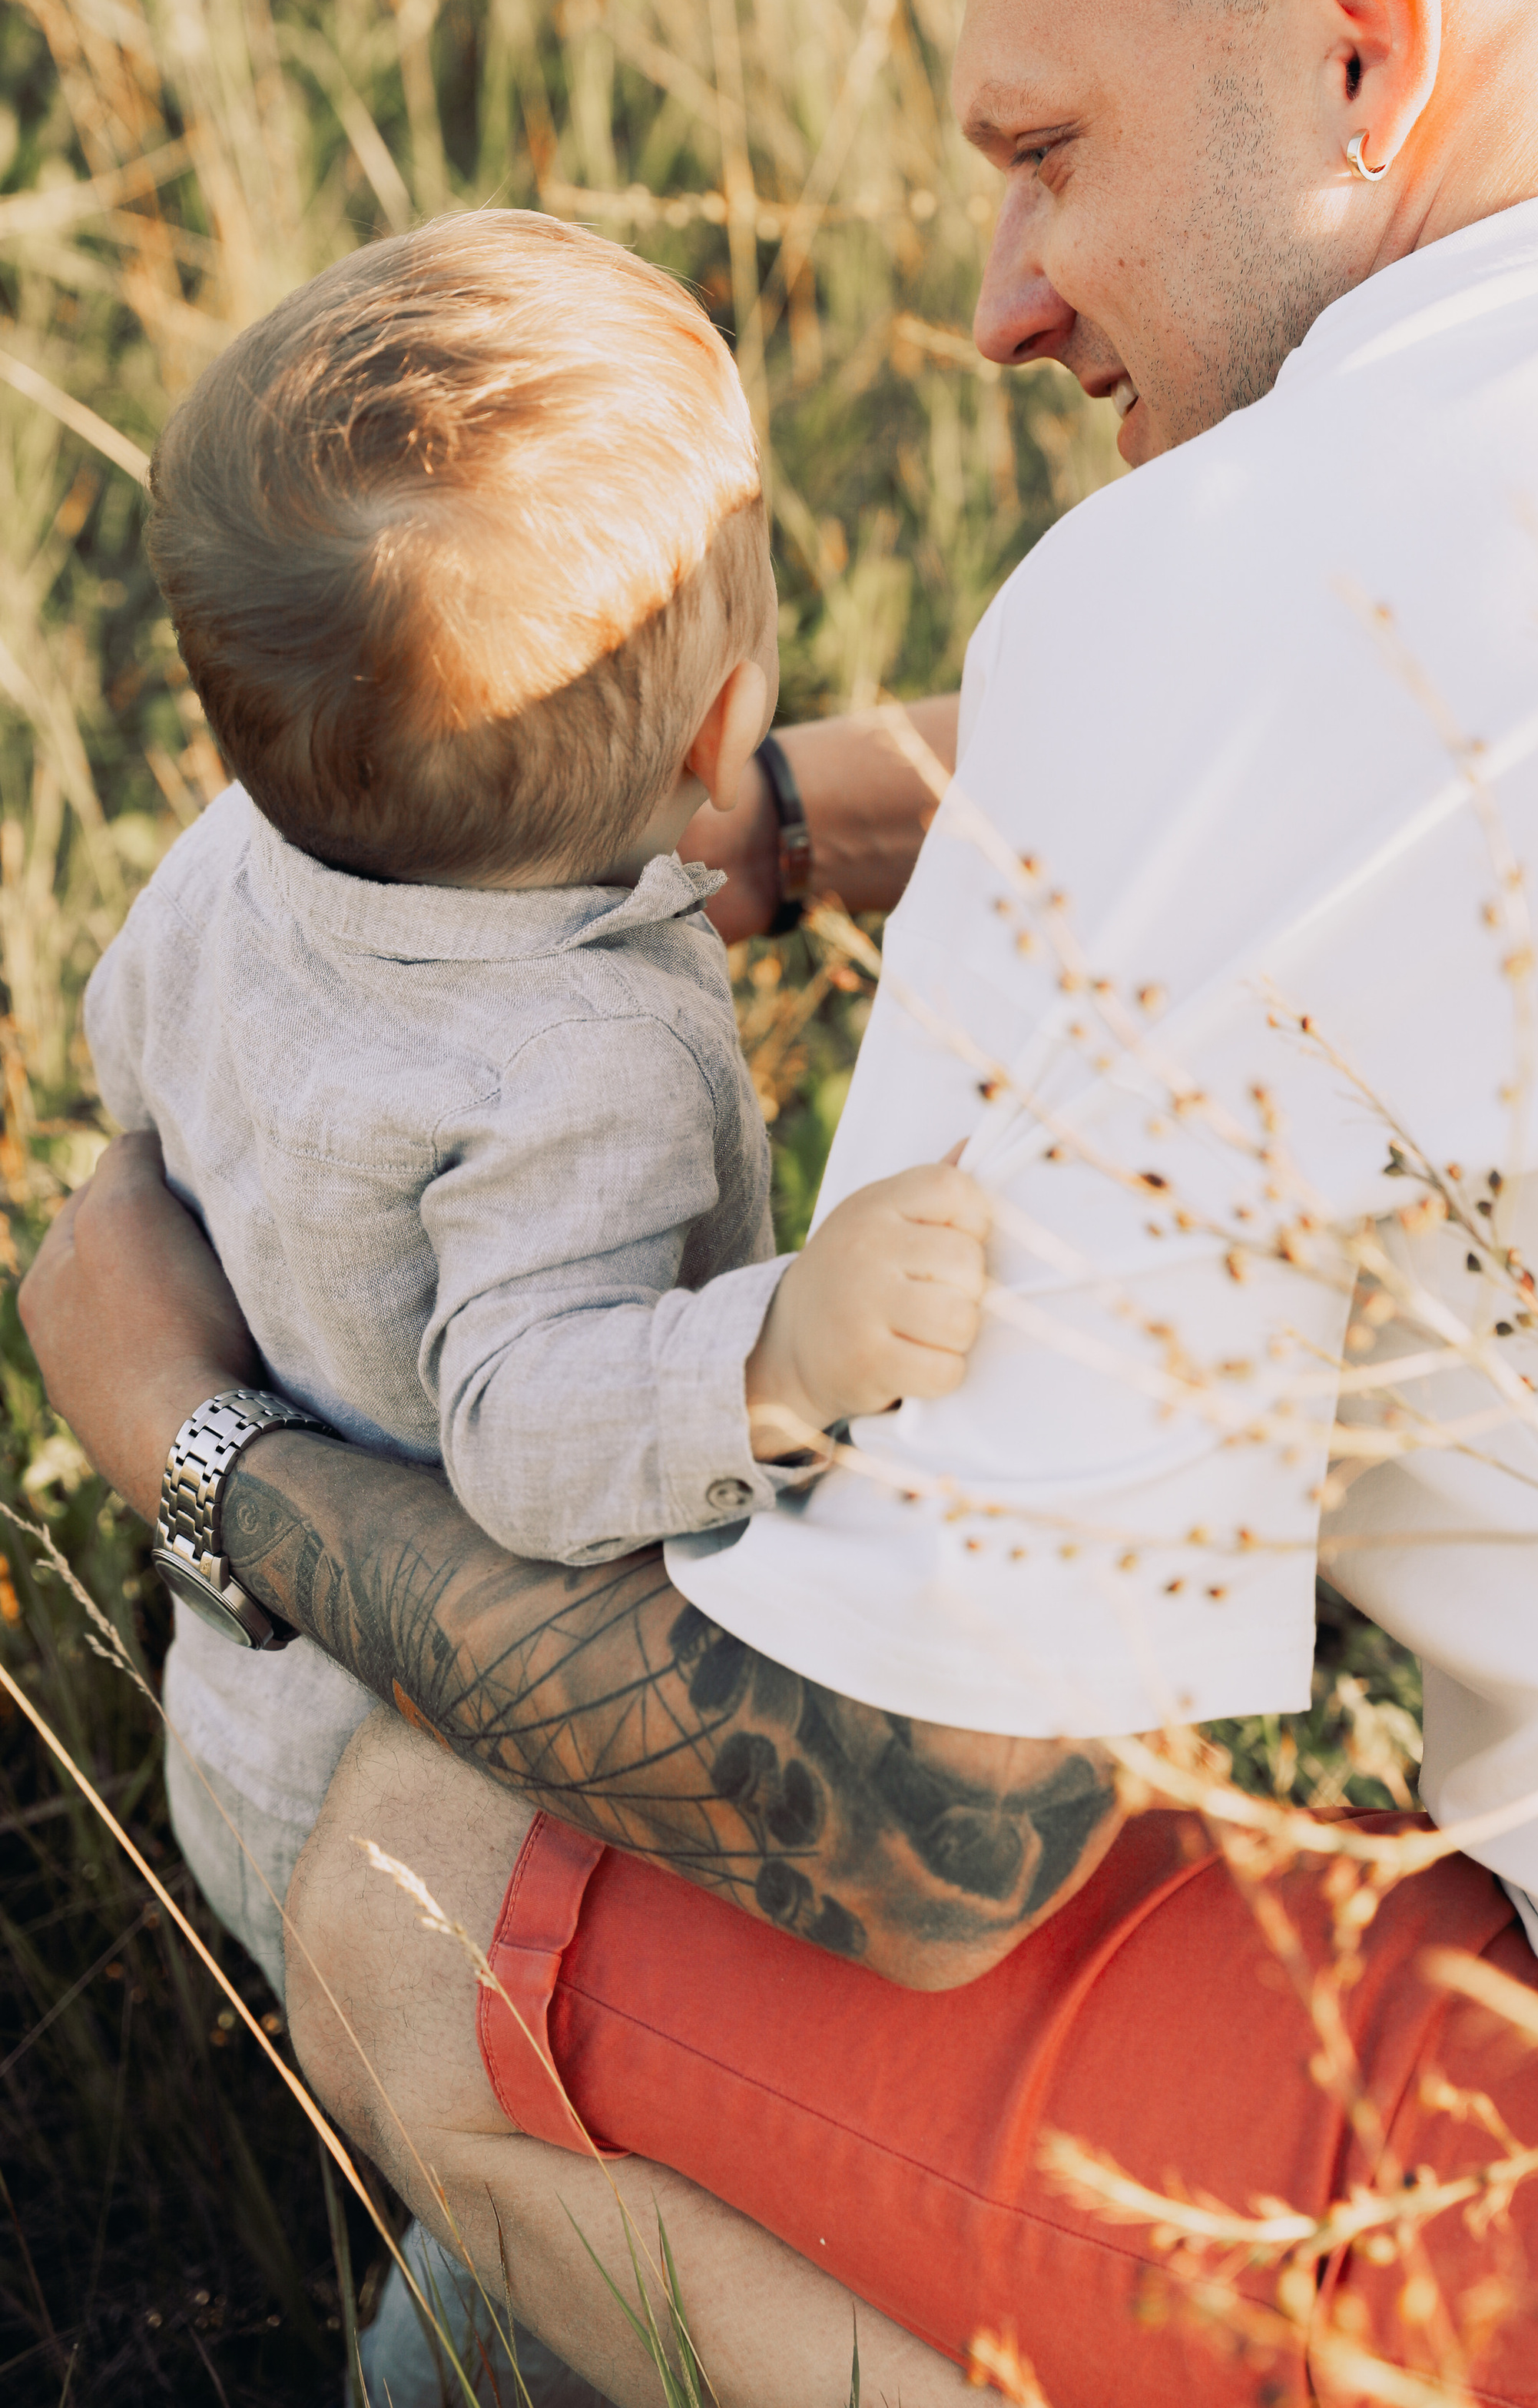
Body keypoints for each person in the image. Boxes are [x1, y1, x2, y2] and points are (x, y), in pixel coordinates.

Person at [27, 0, 1538, 2408]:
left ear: (1354, 45)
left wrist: (188, 1446)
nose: (997, 302)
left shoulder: (1227, 598)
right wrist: (810, 815)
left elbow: (920, 1838)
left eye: (1042, 149)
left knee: (430, 1879)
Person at [86, 208, 988, 1993]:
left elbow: (137, 1069)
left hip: (256, 1703)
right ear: (718, 727)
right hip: (471, 1807)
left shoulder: (229, 863)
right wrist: (777, 1354)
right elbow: (519, 1423)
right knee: (507, 2219)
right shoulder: (585, 1063)